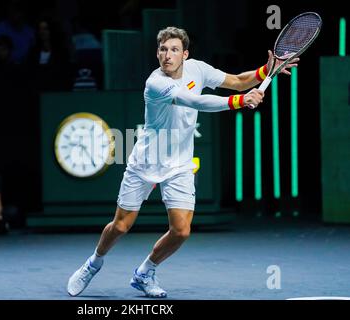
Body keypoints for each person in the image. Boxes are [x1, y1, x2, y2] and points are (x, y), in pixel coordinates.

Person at [67, 26, 298, 298]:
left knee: (181, 230)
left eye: (174, 50)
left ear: (185, 54)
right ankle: (94, 263)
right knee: (121, 226)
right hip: (145, 163)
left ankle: (145, 272)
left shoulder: (197, 69)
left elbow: (235, 80)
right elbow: (196, 101)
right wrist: (240, 102)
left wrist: (263, 71)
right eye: (163, 50)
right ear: (157, 53)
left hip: (179, 166)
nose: (168, 55)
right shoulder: (156, 83)